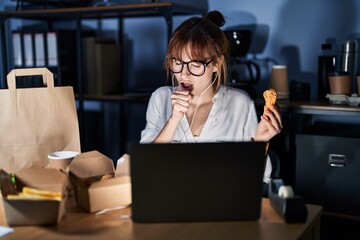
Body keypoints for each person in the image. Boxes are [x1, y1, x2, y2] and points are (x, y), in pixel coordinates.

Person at [140, 11, 283, 185]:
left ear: (216, 64)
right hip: (169, 201)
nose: (184, 74)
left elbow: (258, 179)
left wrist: (260, 141)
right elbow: (145, 168)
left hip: (224, 205)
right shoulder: (160, 98)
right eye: (177, 62)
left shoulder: (240, 103)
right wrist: (173, 120)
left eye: (196, 64)